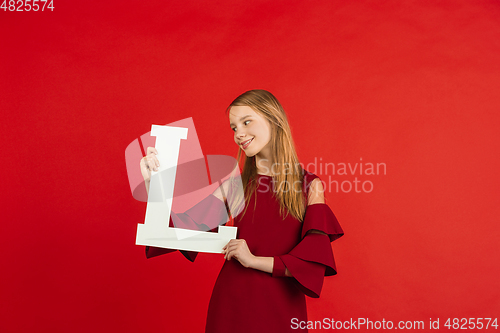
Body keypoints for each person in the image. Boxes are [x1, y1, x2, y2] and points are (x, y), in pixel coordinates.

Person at [139, 90, 344, 332]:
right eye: (234, 128)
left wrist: (254, 261)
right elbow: (182, 232)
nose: (239, 134)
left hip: (282, 310)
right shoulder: (236, 187)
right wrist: (154, 184)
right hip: (231, 307)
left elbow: (311, 264)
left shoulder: (310, 186)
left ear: (274, 120)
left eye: (246, 122)